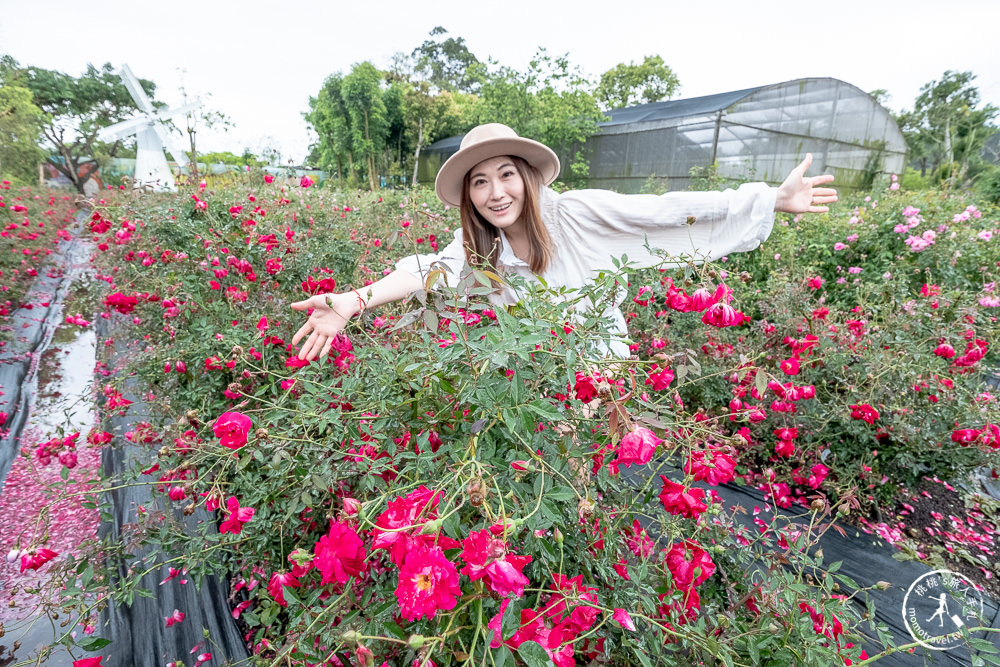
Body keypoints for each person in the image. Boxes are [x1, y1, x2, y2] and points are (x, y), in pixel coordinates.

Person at [292, 123, 837, 361]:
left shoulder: (578, 214)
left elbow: (664, 211)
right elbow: (426, 269)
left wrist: (767, 199)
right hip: (539, 370)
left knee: (587, 478)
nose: (494, 192)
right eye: (478, 181)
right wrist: (350, 302)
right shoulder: (481, 248)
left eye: (505, 174)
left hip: (599, 368)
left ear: (526, 177)